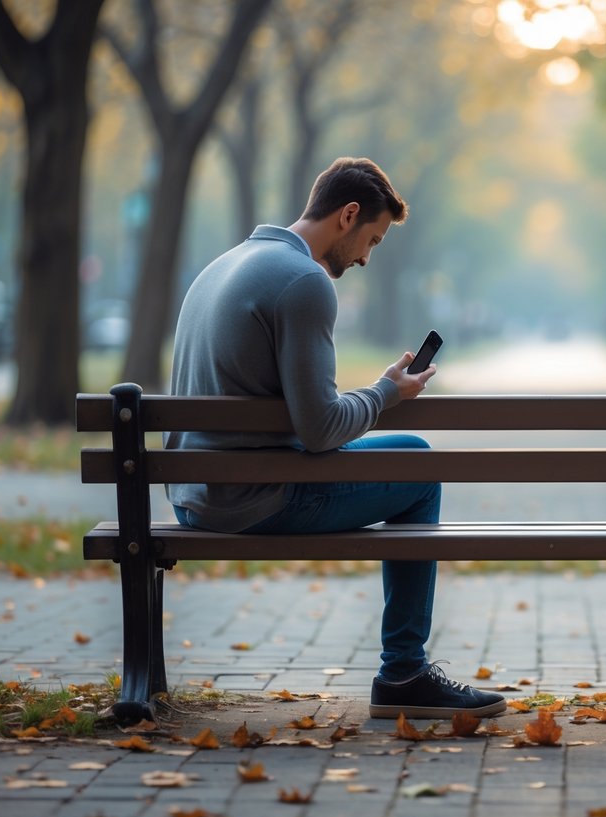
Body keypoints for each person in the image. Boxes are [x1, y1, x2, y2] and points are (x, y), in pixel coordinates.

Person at [165, 157, 505, 720]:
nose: (368, 257)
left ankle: (406, 672)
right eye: (371, 239)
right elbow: (320, 431)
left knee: (398, 459)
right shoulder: (305, 281)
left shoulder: (224, 265)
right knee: (417, 465)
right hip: (253, 500)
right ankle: (404, 672)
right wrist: (385, 394)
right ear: (348, 215)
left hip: (191, 499)